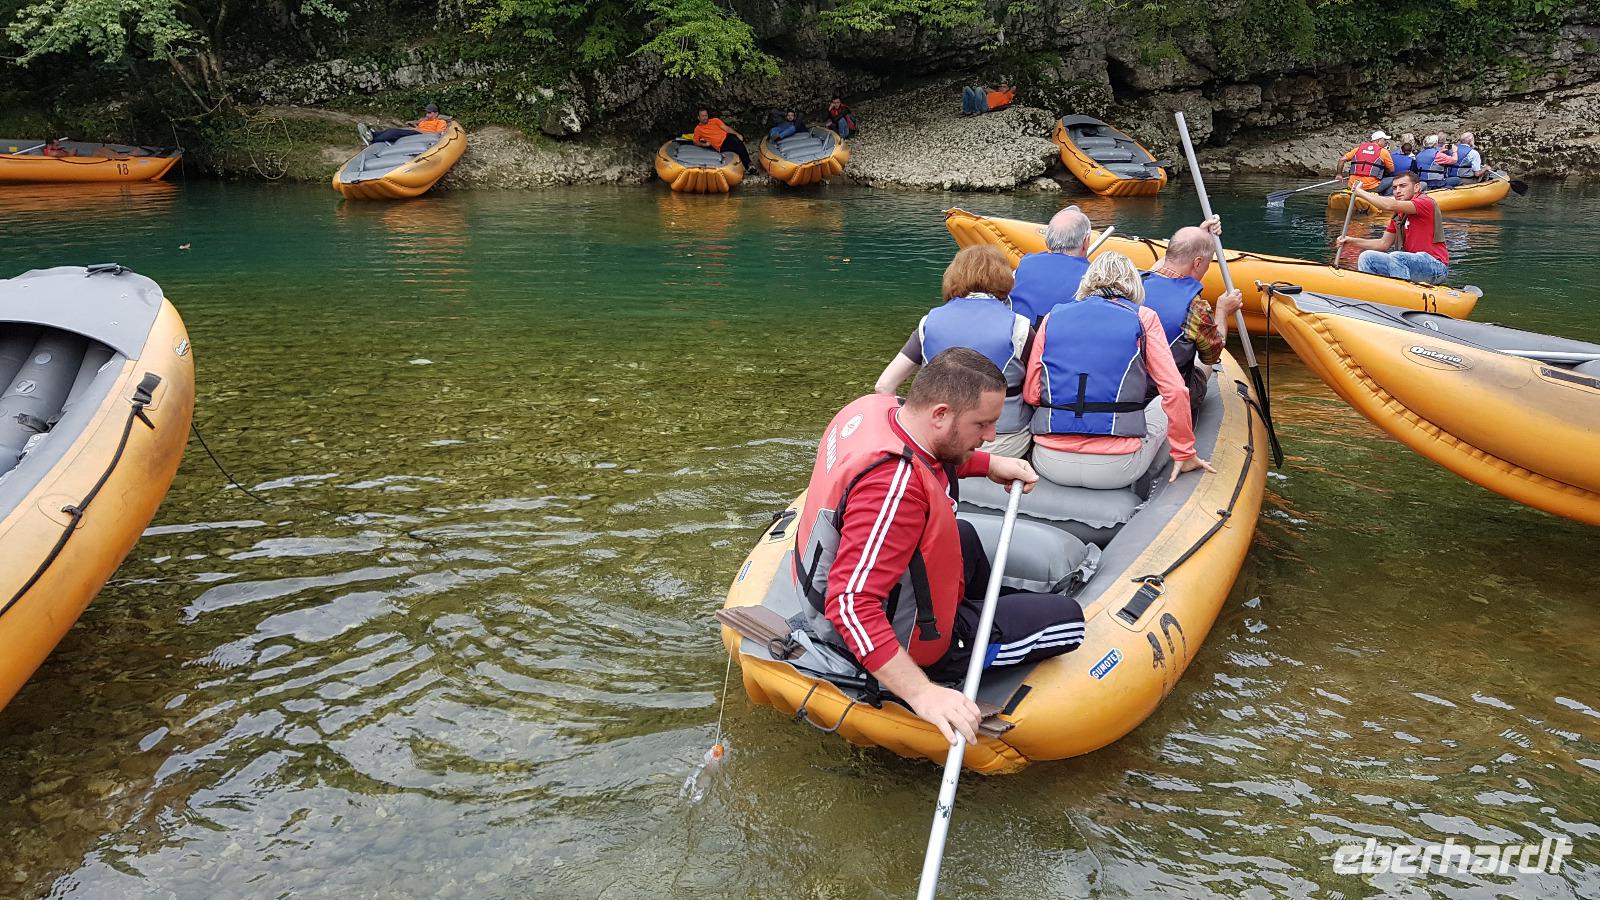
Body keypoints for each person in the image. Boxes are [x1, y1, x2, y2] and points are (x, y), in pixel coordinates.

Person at [795, 348, 1086, 745]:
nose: (991, 436)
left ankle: (986, 610)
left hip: (883, 590)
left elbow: (932, 450)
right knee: (1069, 618)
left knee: (962, 533)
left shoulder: (877, 410)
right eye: (982, 424)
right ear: (941, 413)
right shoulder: (892, 488)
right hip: (895, 636)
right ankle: (962, 645)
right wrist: (922, 693)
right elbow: (850, 604)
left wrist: (986, 464)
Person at [1025, 252, 1216, 491]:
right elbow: (1176, 392)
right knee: (1162, 402)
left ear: (1087, 281)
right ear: (1134, 284)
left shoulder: (1052, 317)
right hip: (1116, 468)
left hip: (1049, 461)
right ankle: (1169, 468)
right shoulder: (1144, 318)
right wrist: (1185, 451)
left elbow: (1032, 394)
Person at [875, 246, 1035, 457]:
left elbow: (884, 386)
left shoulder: (928, 322)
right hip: (999, 442)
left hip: (938, 441)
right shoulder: (1020, 327)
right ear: (1005, 279)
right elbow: (1036, 392)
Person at [1143, 217, 1245, 412]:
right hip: (1164, 395)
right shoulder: (1196, 307)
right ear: (1198, 263)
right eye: (1207, 263)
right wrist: (1222, 312)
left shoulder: (1134, 284)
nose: (1207, 268)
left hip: (1129, 386)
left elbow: (1157, 269)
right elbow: (1212, 354)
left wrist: (1199, 233)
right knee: (1201, 362)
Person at [1335, 171, 1449, 283]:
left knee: (1397, 257)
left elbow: (1389, 205)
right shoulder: (1399, 215)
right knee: (1367, 257)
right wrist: (1350, 241)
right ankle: (1372, 293)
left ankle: (1402, 294)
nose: (1398, 191)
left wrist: (1360, 192)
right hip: (1410, 264)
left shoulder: (1425, 203)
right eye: (1394, 188)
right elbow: (1382, 244)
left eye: (1403, 186)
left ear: (1416, 187)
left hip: (1436, 267)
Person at [1009, 205, 1092, 325]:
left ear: (1047, 241)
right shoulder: (1092, 276)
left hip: (1021, 337)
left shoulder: (1026, 262)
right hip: (1061, 339)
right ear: (1086, 242)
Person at [358, 103, 449, 145]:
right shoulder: (424, 120)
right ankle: (371, 134)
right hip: (415, 132)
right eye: (427, 112)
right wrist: (413, 125)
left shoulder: (441, 122)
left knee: (394, 133)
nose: (427, 114)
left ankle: (373, 140)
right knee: (391, 130)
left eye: (429, 113)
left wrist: (418, 130)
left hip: (422, 135)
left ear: (436, 113)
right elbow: (418, 125)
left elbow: (438, 134)